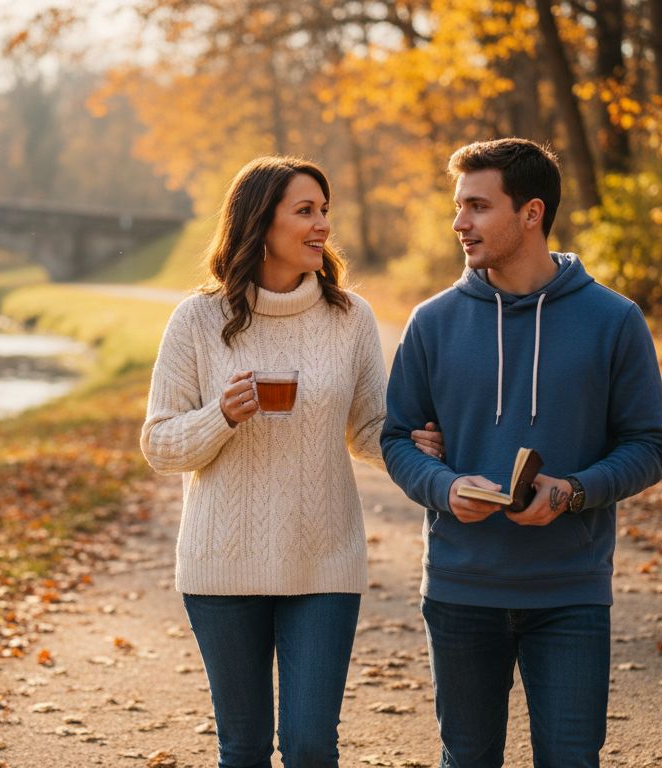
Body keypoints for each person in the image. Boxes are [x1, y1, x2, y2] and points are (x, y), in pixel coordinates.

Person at [140, 155, 442, 768]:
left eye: (324, 210)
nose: (322, 224)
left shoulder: (349, 316)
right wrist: (220, 416)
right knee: (244, 750)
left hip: (324, 560)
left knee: (309, 746)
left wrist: (415, 444)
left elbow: (368, 428)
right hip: (222, 565)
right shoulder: (198, 319)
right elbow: (160, 444)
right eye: (305, 210)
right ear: (260, 222)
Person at [381, 138, 662, 767]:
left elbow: (650, 446)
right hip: (460, 589)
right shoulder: (431, 322)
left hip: (569, 592)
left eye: (478, 206)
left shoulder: (614, 320)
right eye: (458, 206)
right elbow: (397, 439)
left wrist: (573, 491)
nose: (460, 222)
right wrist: (443, 487)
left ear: (531, 212)